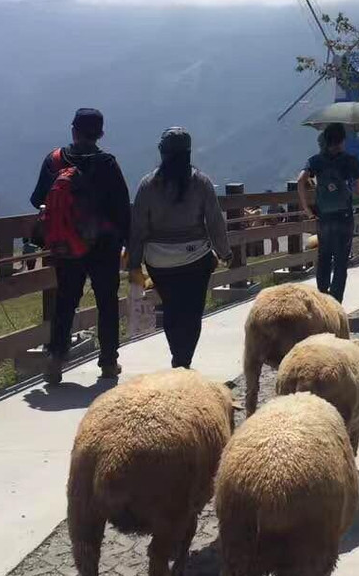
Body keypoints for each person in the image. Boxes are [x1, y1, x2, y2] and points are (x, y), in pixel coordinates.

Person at [30, 107, 131, 385]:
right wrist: (127, 241)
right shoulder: (107, 163)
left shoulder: (54, 161)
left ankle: (55, 358)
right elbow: (123, 208)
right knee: (107, 302)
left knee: (65, 301)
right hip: (104, 247)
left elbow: (37, 199)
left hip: (66, 246)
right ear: (99, 134)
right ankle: (109, 363)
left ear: (73, 130)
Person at [129, 128, 231, 369]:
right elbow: (215, 222)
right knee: (193, 312)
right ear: (188, 153)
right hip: (196, 258)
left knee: (172, 310)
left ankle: (178, 357)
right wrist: (225, 252)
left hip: (159, 262)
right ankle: (184, 360)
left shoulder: (148, 184)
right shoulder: (200, 182)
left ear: (162, 152)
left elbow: (138, 227)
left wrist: (134, 262)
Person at [297, 123, 359, 303]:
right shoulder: (349, 160)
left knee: (324, 256)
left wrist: (307, 209)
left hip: (324, 216)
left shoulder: (315, 160)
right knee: (341, 260)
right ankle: (335, 303)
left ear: (325, 140)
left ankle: (321, 297)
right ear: (342, 140)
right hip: (344, 216)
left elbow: (300, 180)